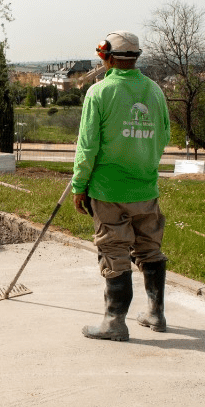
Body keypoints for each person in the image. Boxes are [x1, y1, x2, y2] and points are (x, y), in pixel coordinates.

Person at [71, 31, 172, 341]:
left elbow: (88, 145)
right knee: (149, 249)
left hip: (109, 190)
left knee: (114, 251)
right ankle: (155, 313)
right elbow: (164, 136)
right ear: (135, 57)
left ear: (108, 57)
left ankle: (115, 321)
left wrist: (79, 184)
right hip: (145, 188)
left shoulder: (99, 93)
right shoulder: (154, 91)